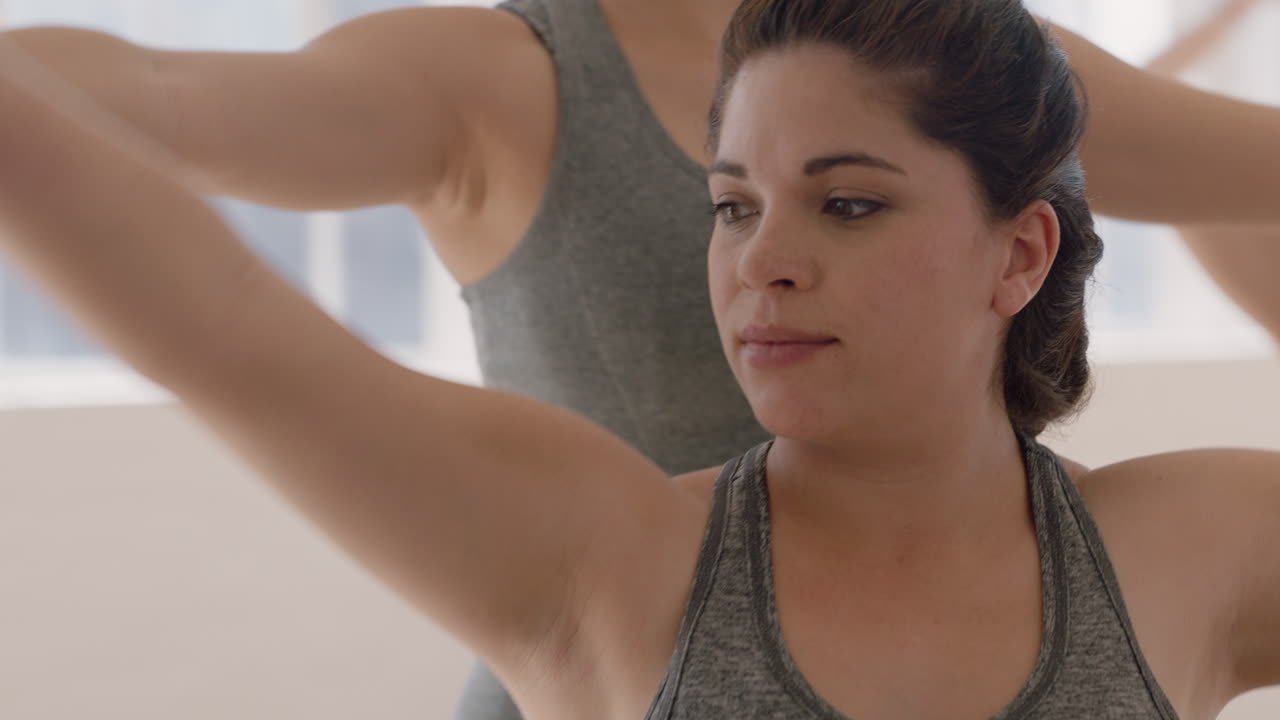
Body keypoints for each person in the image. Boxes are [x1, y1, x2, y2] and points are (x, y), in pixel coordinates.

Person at [2, 1, 1280, 719]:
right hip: (605, 646)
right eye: (728, 207)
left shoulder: (952, 55)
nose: (761, 260)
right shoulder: (494, 78)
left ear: (1020, 250)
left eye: (845, 205)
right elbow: (216, 297)